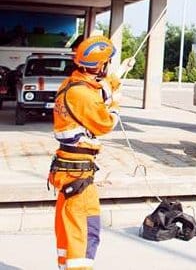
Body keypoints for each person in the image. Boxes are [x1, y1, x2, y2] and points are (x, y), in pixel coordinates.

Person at [50, 35, 121, 270]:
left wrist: (114, 79)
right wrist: (115, 104)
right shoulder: (82, 95)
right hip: (77, 174)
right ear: (100, 65)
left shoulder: (72, 84)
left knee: (83, 226)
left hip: (75, 171)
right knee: (81, 232)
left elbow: (96, 89)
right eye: (107, 62)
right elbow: (105, 123)